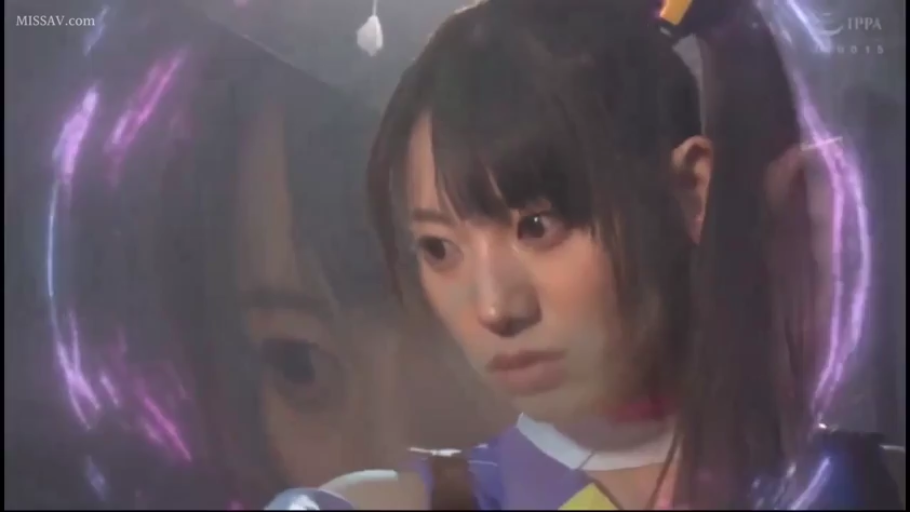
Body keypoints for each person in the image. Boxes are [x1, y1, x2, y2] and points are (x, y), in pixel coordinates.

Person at [266, 0, 903, 509]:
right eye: (439, 248)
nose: (494, 307)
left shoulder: (831, 485)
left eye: (537, 226)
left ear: (690, 191)